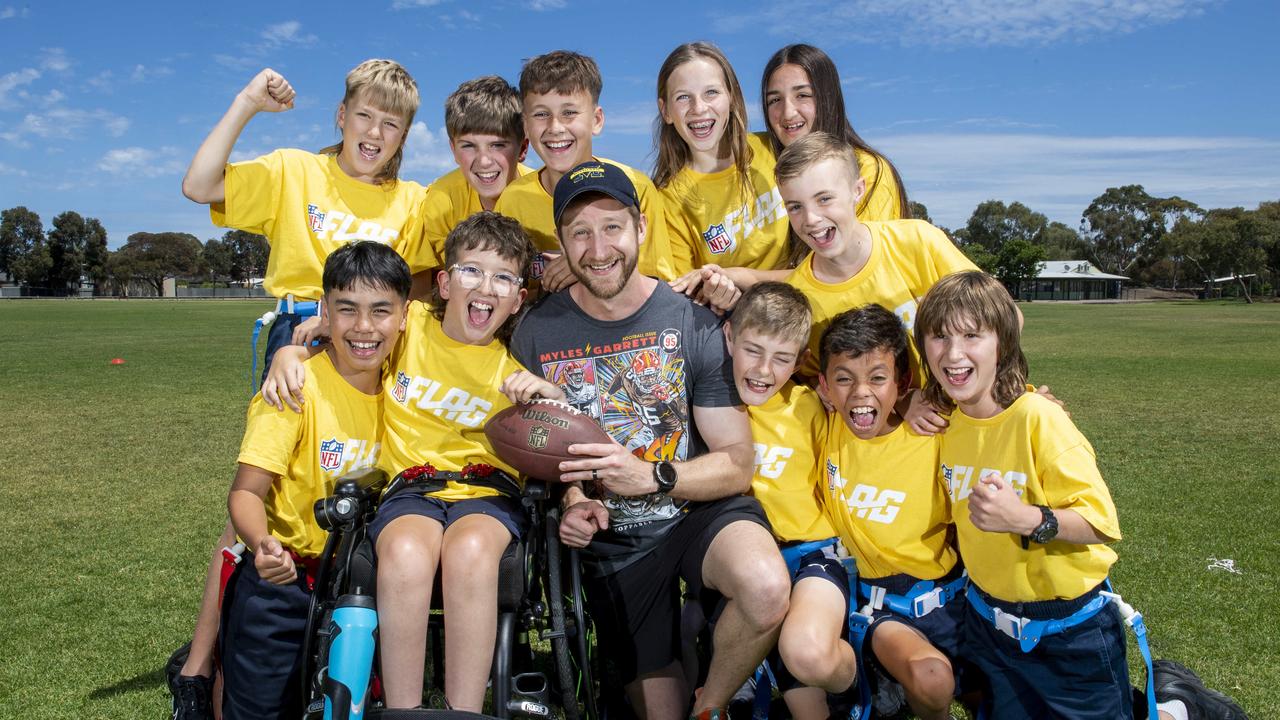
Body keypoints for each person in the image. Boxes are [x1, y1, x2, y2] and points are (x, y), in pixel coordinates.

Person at [173, 59, 426, 719]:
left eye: (390, 124)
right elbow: (199, 184)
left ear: (404, 136)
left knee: (360, 499)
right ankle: (206, 668)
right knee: (260, 508)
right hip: (304, 340)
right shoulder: (296, 170)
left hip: (376, 345)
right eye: (364, 116)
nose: (374, 133)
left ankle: (343, 662)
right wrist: (247, 102)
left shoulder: (414, 202)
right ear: (341, 116)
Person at [509, 161, 789, 720]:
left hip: (694, 512)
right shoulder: (536, 331)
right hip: (615, 543)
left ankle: (711, 701)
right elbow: (537, 452)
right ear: (561, 244)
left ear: (640, 227)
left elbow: (737, 462)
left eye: (611, 226)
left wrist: (656, 476)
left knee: (764, 587)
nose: (597, 247)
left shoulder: (691, 319)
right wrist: (575, 501)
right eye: (579, 233)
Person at [916, 271, 1247, 720]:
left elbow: (1101, 523)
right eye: (938, 337)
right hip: (990, 627)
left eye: (972, 335)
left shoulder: (1038, 418)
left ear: (1003, 343)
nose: (953, 353)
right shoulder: (948, 425)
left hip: (1069, 631)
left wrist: (1028, 520)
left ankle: (1181, 706)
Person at [265, 212, 562, 712]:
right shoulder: (410, 329)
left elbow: (557, 429)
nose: (485, 287)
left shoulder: (514, 368)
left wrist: (546, 395)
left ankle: (463, 709)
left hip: (486, 493)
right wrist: (289, 354)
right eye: (471, 271)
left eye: (503, 277)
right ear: (443, 283)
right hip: (411, 489)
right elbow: (351, 332)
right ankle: (402, 710)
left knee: (469, 550)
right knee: (403, 550)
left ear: (517, 299)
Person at [219, 240, 410, 720]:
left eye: (380, 311)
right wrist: (262, 544)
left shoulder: (409, 392)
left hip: (363, 591)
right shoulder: (292, 389)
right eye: (347, 310)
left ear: (405, 316)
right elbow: (245, 491)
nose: (364, 328)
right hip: (283, 585)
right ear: (324, 311)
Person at [800, 304, 968, 720]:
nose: (860, 393)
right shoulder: (828, 424)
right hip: (885, 609)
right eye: (844, 379)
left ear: (903, 382)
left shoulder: (936, 432)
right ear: (823, 386)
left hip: (958, 603)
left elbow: (997, 412)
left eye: (878, 378)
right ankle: (886, 687)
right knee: (932, 682)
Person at [774, 132, 978, 430]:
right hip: (897, 450)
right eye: (795, 206)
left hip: (971, 422)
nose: (811, 219)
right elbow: (817, 381)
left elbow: (1003, 320)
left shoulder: (917, 242)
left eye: (824, 199)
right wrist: (902, 398)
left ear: (857, 190)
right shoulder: (799, 298)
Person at [721, 282, 841, 720]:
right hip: (743, 564)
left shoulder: (810, 405)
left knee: (803, 695)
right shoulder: (713, 406)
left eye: (783, 358)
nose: (764, 370)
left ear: (800, 360)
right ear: (729, 336)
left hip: (811, 553)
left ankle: (863, 673)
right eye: (753, 350)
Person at [495, 50, 678, 290]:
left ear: (596, 120)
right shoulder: (514, 199)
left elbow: (660, 283)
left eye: (569, 113)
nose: (555, 127)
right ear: (526, 126)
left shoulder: (635, 187)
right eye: (541, 114)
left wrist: (585, 264)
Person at [652, 42, 789, 275]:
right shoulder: (667, 199)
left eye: (711, 92)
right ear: (666, 111)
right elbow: (686, 291)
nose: (699, 108)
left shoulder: (773, 148)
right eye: (683, 97)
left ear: (732, 97)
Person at [399, 75, 534, 293]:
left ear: (523, 148)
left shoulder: (543, 199)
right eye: (469, 146)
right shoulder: (442, 200)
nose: (484, 161)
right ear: (453, 150)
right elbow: (420, 285)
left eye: (497, 145)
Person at [761, 43, 909, 228]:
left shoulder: (866, 169)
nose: (788, 112)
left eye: (803, 95)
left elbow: (860, 254)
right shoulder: (765, 163)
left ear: (828, 99)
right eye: (775, 100)